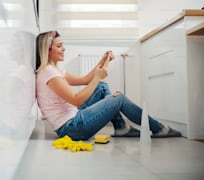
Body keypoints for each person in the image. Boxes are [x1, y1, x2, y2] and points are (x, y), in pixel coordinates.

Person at [35, 30, 181, 141]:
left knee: (102, 87)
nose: (64, 49)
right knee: (119, 99)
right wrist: (97, 77)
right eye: (59, 46)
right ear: (47, 50)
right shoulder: (49, 73)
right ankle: (159, 128)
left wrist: (103, 61)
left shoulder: (54, 70)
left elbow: (85, 79)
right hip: (72, 128)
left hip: (73, 118)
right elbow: (76, 99)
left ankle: (121, 127)